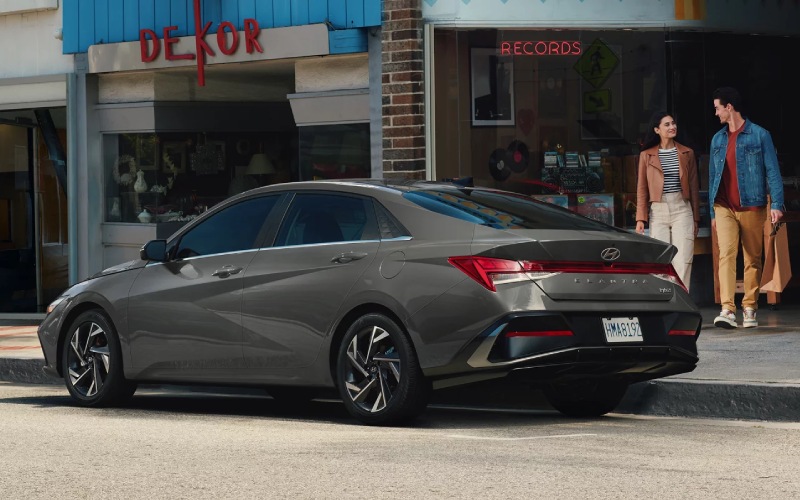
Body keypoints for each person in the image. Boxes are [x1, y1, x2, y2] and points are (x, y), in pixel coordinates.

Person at [709, 87, 784, 329]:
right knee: (726, 255)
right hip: (724, 206)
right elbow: (712, 176)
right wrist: (711, 211)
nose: (716, 113)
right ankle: (727, 309)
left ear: (729, 107)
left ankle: (750, 307)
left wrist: (778, 204)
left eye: (718, 108)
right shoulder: (717, 139)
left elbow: (772, 171)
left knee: (753, 257)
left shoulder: (760, 135)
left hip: (752, 205)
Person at [635, 111, 700, 292]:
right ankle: (663, 300)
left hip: (682, 208)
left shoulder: (687, 153)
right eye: (667, 125)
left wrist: (696, 218)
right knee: (660, 259)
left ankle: (681, 299)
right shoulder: (646, 155)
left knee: (683, 258)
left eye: (673, 123)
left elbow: (694, 188)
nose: (672, 127)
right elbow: (642, 188)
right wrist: (641, 218)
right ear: (657, 130)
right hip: (658, 210)